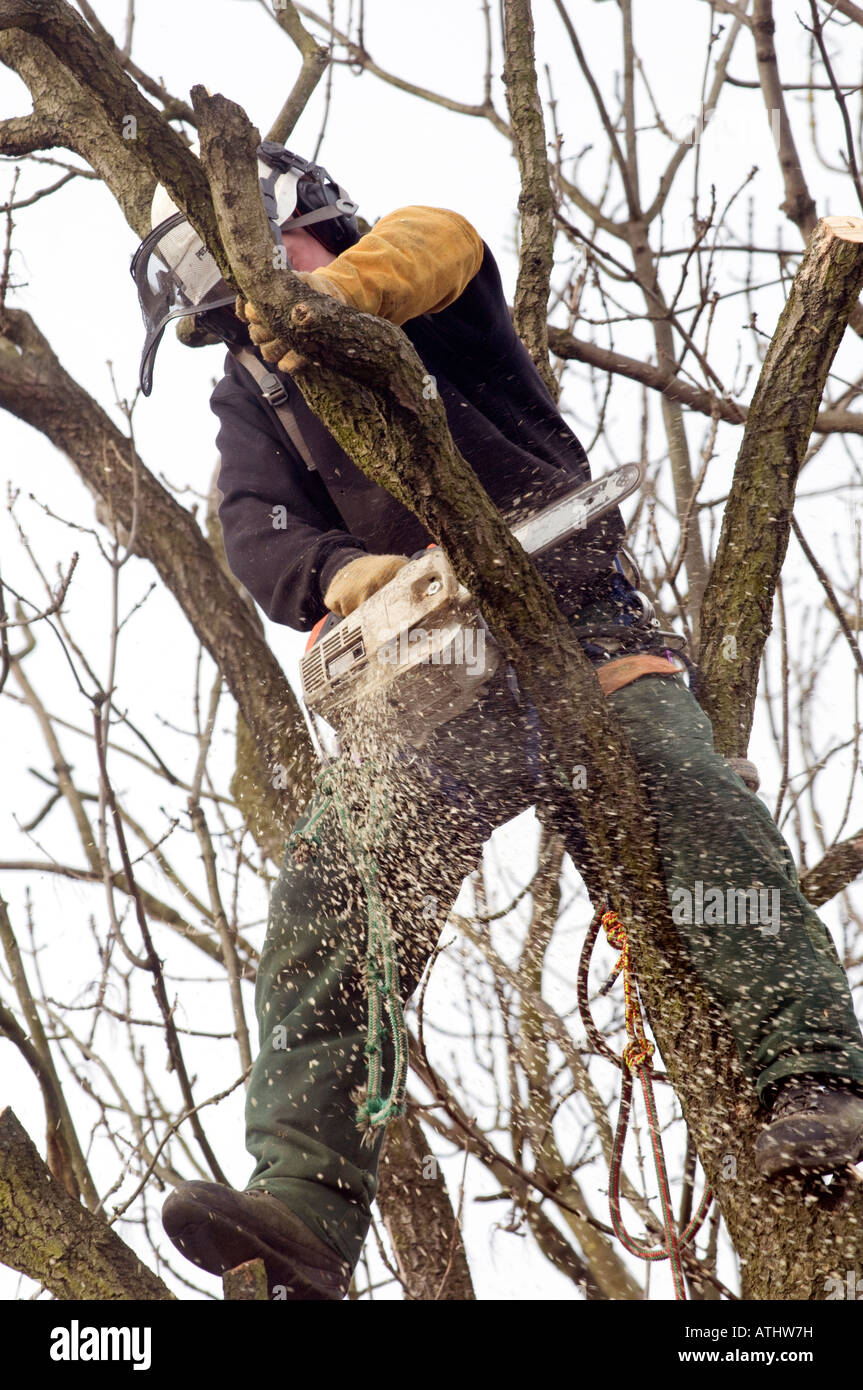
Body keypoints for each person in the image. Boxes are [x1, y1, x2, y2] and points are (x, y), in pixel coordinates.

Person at [132, 144, 863, 1300]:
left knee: (693, 802)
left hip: (573, 621)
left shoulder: (424, 290)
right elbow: (255, 534)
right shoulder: (248, 394)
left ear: (311, 228)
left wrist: (324, 306)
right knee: (335, 889)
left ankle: (808, 1073)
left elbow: (441, 240)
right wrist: (349, 575)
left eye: (267, 270)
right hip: (438, 680)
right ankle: (306, 1213)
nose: (250, 318)